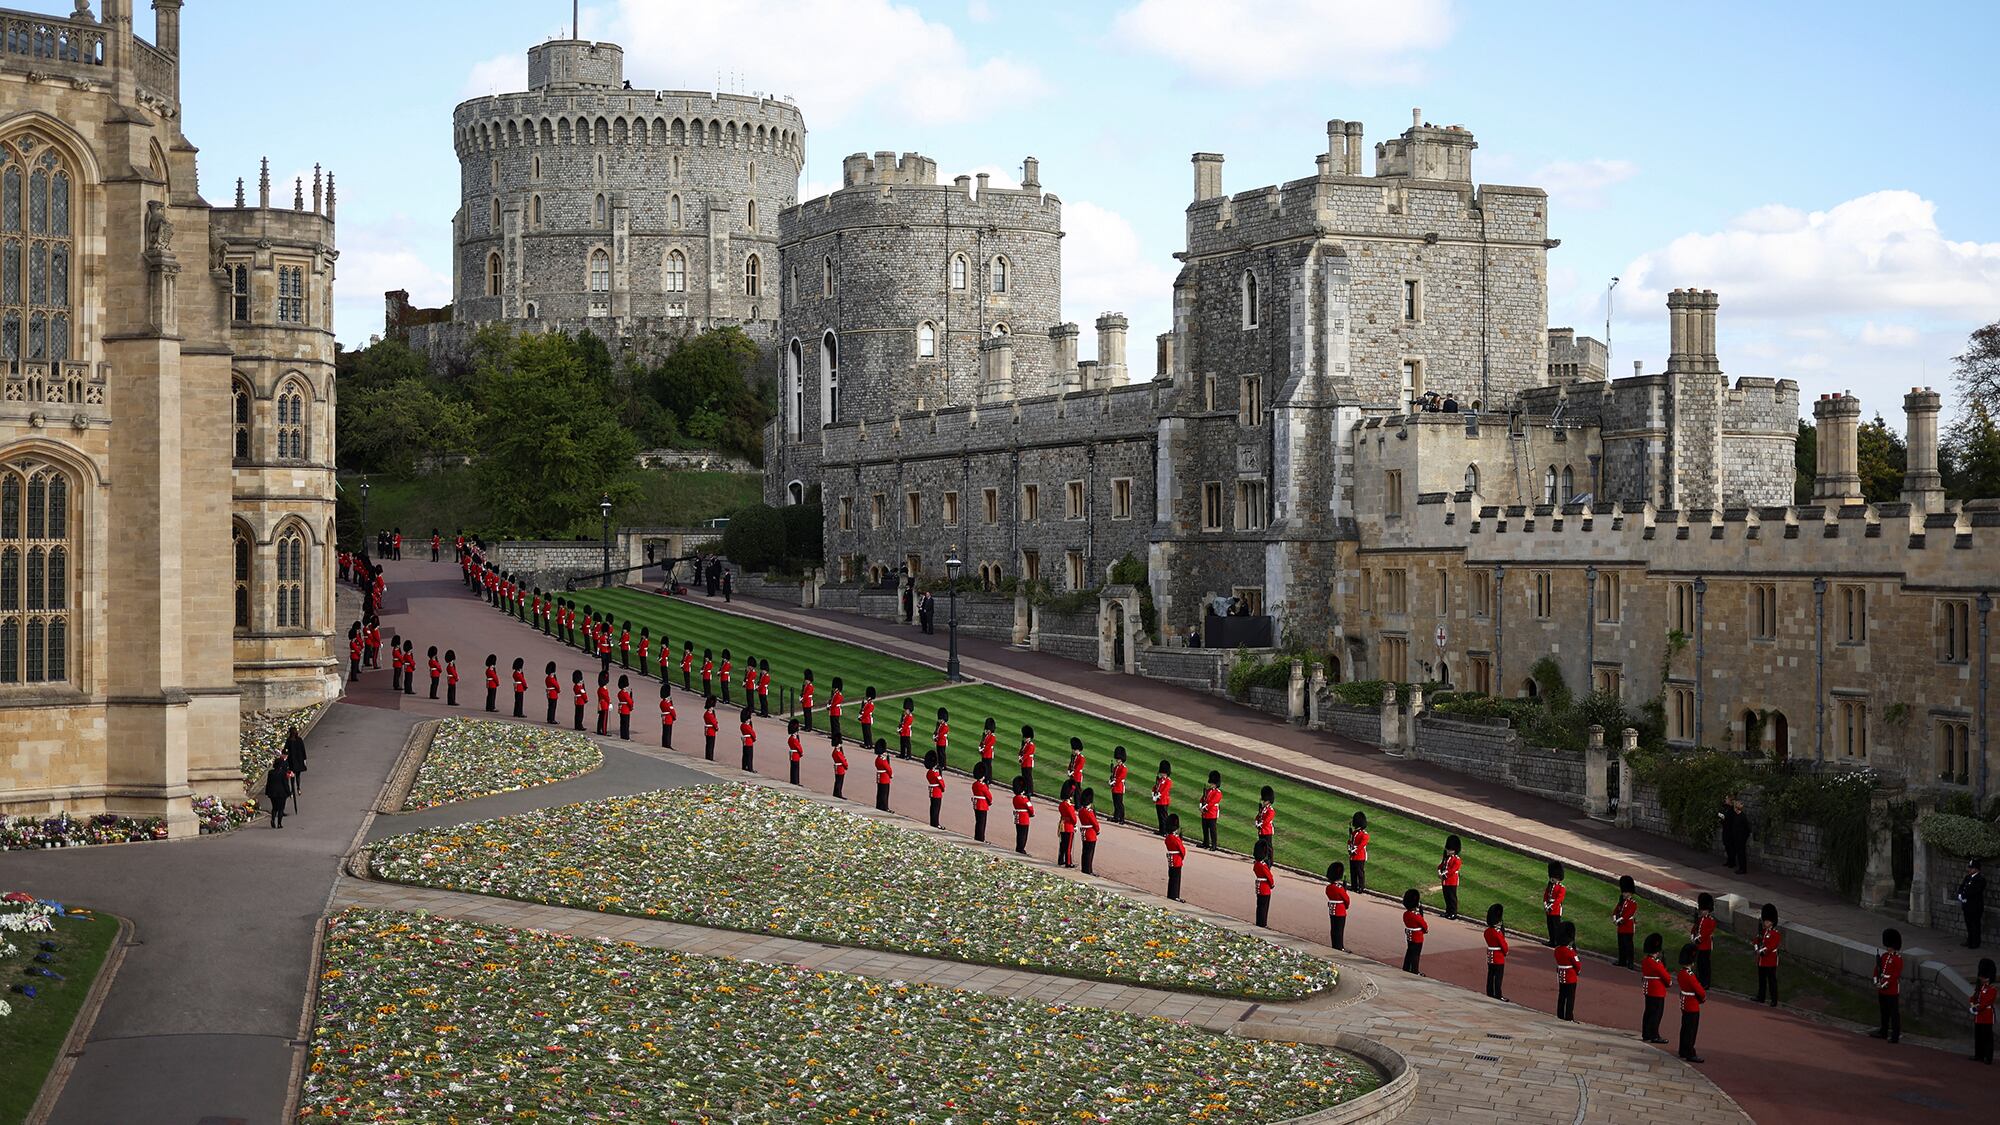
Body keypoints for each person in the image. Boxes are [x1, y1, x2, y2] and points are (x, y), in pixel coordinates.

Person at [1872, 928, 1904, 1043]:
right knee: (1884, 1012)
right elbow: (1877, 970)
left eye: (1890, 945)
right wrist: (1876, 982)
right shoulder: (1884, 956)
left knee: (1894, 1014)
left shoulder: (1897, 959)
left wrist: (1884, 984)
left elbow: (1895, 975)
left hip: (1892, 990)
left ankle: (1895, 1035)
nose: (1888, 947)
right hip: (1882, 989)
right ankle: (1883, 1031)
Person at [1676, 944, 1707, 1063]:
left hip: (1685, 1002)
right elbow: (1700, 991)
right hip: (1692, 1004)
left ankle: (1683, 1049)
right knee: (1691, 1030)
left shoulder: (1681, 973)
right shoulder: (1690, 975)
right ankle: (1690, 1052)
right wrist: (1702, 998)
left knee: (1685, 1028)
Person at [1640, 933, 1672, 1044]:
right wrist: (1669, 982)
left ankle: (1646, 1033)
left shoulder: (1645, 961)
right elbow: (1666, 977)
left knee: (1648, 1012)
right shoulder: (1656, 963)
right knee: (1656, 1014)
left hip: (1649, 990)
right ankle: (1654, 1035)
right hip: (1657, 991)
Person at [1753, 902, 1782, 1006]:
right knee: (1762, 980)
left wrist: (1761, 951)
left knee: (1772, 981)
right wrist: (1756, 948)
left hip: (1770, 960)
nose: (1765, 923)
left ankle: (1774, 1000)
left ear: (1772, 922)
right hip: (1761, 960)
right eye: (1765, 921)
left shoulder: (1775, 934)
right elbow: (1755, 940)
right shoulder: (1763, 932)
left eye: (1767, 921)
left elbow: (1772, 946)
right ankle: (1761, 997)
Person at [1554, 921, 1581, 1021]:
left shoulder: (1557, 950)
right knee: (1570, 997)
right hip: (1570, 976)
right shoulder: (1570, 951)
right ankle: (1569, 1017)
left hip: (1561, 975)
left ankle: (1560, 1014)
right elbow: (1577, 965)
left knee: (1561, 995)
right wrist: (1578, 971)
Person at [1971, 957, 1996, 1064]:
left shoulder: (1992, 989)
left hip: (1986, 1015)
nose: (1980, 978)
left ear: (1987, 977)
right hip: (1979, 1015)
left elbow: (1986, 1002)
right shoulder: (1980, 988)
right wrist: (1972, 1002)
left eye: (1982, 976)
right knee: (1978, 1036)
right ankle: (1979, 1055)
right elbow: (1974, 998)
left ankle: (1988, 1057)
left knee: (1987, 1037)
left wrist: (1976, 1007)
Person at [1690, 892, 1717, 987]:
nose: (1701, 911)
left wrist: (1698, 939)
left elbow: (1706, 933)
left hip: (1705, 946)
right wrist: (1692, 936)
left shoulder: (1711, 921)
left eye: (1703, 909)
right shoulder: (1700, 919)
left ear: (1708, 910)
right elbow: (1695, 928)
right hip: (1699, 946)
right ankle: (1700, 980)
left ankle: (1706, 982)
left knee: (1705, 965)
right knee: (1700, 964)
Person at [1483, 903, 1509, 1000]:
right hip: (1498, 957)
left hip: (1490, 955)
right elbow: (1503, 944)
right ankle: (1498, 994)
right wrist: (1506, 952)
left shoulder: (1487, 931)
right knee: (1498, 976)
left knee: (1490, 975)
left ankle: (1490, 992)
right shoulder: (1497, 933)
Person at [1960, 858, 1987, 949]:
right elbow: (1962, 886)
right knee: (1968, 924)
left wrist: (1964, 895)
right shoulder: (1967, 877)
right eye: (1969, 868)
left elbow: (1974, 891)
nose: (1969, 869)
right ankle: (1970, 940)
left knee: (1975, 924)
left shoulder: (1980, 879)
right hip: (1967, 905)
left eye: (1971, 868)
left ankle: (1975, 942)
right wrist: (1960, 894)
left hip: (1975, 906)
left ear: (1976, 869)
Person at [1613, 875, 1640, 968]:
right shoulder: (1622, 902)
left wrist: (1619, 920)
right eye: (1623, 892)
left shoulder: (1633, 903)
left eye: (1625, 892)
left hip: (1628, 927)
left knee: (1628, 946)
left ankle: (1630, 962)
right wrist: (1614, 918)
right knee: (1621, 945)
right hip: (1621, 927)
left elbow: (1628, 915)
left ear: (1630, 893)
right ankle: (1622, 961)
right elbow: (1616, 910)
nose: (1623, 894)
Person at [1325, 862, 1351, 950]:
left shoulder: (1328, 887)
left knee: (1334, 929)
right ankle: (1340, 947)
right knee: (1339, 930)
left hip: (1332, 909)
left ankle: (1335, 946)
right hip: (1340, 910)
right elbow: (1346, 899)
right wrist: (1344, 890)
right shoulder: (1339, 888)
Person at [1401, 889, 1427, 974]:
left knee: (1409, 951)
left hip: (1409, 936)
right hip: (1417, 937)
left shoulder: (1406, 914)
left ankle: (1406, 967)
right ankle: (1415, 970)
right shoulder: (1416, 916)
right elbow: (1424, 925)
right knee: (1416, 954)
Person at [264, 756, 293, 828]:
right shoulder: (283, 773)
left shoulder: (271, 773)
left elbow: (268, 783)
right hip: (281, 793)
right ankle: (279, 823)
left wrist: (267, 792)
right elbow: (285, 784)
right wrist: (289, 793)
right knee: (281, 809)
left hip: (272, 793)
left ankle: (273, 819)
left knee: (274, 808)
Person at [1543, 861, 1567, 946]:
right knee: (1550, 926)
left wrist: (1551, 907)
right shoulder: (1549, 886)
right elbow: (1546, 895)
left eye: (1554, 877)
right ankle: (1552, 941)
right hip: (1549, 909)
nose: (1552, 878)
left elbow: (1559, 900)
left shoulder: (1561, 888)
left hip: (1555, 910)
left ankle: (1557, 942)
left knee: (1556, 927)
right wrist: (1545, 905)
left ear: (1558, 877)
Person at [1439, 834, 1462, 920]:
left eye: (1449, 849)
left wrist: (1443, 875)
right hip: (1445, 881)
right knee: (1446, 897)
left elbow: (1452, 870)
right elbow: (1441, 866)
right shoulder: (1447, 858)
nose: (1447, 851)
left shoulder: (1457, 860)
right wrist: (1439, 871)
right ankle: (1448, 912)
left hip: (1452, 881)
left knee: (1452, 898)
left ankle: (1453, 913)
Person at [1078, 787, 1101, 876]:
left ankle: (1085, 869)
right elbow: (1095, 823)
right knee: (1089, 853)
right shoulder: (1089, 812)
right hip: (1091, 833)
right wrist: (1097, 831)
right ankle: (1088, 870)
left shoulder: (1081, 810)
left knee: (1085, 852)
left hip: (1084, 832)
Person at [284, 726, 307, 811]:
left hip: (291, 761)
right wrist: (304, 759)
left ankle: (292, 791)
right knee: (298, 776)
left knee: (292, 777)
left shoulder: (289, 741)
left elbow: (285, 750)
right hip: (299, 761)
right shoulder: (299, 740)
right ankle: (298, 788)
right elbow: (303, 750)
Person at [1164, 814, 1187, 902]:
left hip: (1171, 858)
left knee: (1171, 877)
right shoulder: (1175, 839)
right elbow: (1182, 850)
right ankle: (1175, 896)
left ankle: (1170, 894)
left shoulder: (1168, 838)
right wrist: (1180, 839)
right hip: (1177, 859)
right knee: (1176, 878)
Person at [1726, 797, 1751, 875]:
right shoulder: (1736, 816)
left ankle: (1743, 869)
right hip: (1736, 837)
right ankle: (1741, 868)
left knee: (1741, 853)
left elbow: (1747, 829)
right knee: (1739, 853)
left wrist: (1743, 838)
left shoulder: (1742, 816)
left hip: (1741, 838)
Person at [1253, 842, 1276, 927]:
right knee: (1264, 907)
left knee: (1259, 906)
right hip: (1265, 887)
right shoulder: (1263, 865)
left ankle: (1259, 922)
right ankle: (1263, 924)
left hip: (1259, 886)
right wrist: (1272, 884)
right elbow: (1269, 876)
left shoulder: (1256, 864)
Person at [1198, 772, 1223, 850]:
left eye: (1212, 783)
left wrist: (1204, 808)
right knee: (1205, 828)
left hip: (1212, 813)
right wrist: (1200, 806)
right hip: (1205, 813)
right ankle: (1206, 843)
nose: (1211, 784)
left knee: (1212, 830)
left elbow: (1212, 802)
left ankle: (1214, 845)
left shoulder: (1218, 793)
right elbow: (1202, 799)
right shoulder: (1208, 791)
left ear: (1216, 784)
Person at [1056, 781, 1078, 867]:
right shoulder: (1069, 806)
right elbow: (1073, 818)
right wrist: (1075, 825)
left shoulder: (1061, 804)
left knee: (1062, 844)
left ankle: (1061, 860)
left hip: (1062, 826)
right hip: (1069, 827)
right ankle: (1068, 862)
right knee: (1068, 846)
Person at [970, 761, 993, 841]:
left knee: (978, 821)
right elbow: (988, 795)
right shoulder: (982, 785)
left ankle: (977, 836)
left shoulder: (974, 784)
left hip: (976, 804)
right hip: (982, 805)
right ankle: (981, 838)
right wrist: (990, 802)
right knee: (982, 822)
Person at [1348, 812, 1370, 894]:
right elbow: (1350, 841)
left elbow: (1362, 845)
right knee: (1353, 872)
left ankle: (1361, 887)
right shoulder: (1354, 833)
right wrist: (1349, 848)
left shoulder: (1364, 834)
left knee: (1360, 872)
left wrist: (1354, 851)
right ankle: (1354, 886)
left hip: (1360, 856)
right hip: (1352, 856)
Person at [1011, 775, 1034, 853]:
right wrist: (1032, 814)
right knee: (1023, 834)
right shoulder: (1024, 799)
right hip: (1024, 817)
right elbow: (1030, 808)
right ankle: (1021, 849)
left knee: (1019, 833)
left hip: (1017, 816)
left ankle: (1018, 847)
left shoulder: (1015, 798)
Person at [1719, 796, 1742, 871]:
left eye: (1726, 799)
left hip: (1730, 830)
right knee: (1727, 845)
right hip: (1726, 828)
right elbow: (1722, 814)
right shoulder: (1726, 807)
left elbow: (1728, 818)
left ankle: (1732, 861)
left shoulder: (1732, 809)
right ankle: (1729, 860)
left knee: (1731, 846)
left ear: (1730, 800)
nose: (1725, 800)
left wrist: (1723, 817)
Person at [1152, 760, 1173, 835]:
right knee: (1160, 816)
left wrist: (1157, 796)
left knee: (1164, 817)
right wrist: (1153, 794)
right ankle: (1161, 830)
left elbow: (1164, 791)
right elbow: (1155, 787)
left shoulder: (1168, 781)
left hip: (1164, 801)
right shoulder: (1160, 780)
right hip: (1158, 801)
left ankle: (1165, 831)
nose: (1161, 773)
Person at [1108, 746, 1129, 825]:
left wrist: (1113, 782)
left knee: (1120, 804)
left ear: (1122, 759)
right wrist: (1110, 780)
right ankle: (1116, 817)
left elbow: (1120, 778)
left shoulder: (1124, 768)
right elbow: (1113, 776)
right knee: (1115, 803)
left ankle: (1122, 818)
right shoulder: (1116, 767)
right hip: (1114, 787)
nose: (1117, 760)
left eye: (1119, 759)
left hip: (1119, 787)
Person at [926, 752, 946, 828]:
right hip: (937, 792)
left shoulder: (928, 773)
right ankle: (936, 823)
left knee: (933, 808)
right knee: (936, 809)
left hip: (932, 791)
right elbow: (942, 784)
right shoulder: (935, 773)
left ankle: (933, 822)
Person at [875, 739, 894, 811]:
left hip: (879, 777)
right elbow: (888, 768)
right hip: (885, 778)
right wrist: (891, 774)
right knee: (884, 794)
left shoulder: (877, 759)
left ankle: (879, 806)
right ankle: (884, 807)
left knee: (880, 793)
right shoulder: (883, 760)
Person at [1017, 725, 1036, 795]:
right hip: (1024, 762)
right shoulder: (1025, 744)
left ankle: (1030, 790)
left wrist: (1021, 759)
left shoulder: (1031, 745)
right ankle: (1026, 789)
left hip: (1028, 763)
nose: (1024, 738)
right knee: (1024, 777)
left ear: (1029, 738)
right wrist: (1019, 756)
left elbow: (1027, 754)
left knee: (1028, 777)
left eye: (1026, 737)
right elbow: (1021, 751)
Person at [830, 735, 849, 800]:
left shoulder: (835, 751)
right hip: (840, 768)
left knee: (837, 781)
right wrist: (846, 765)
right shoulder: (838, 752)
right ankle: (838, 794)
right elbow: (843, 760)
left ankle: (836, 793)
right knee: (839, 781)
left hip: (837, 767)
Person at [787, 719, 805, 785]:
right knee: (796, 769)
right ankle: (795, 781)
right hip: (795, 755)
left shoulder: (791, 738)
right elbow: (798, 746)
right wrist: (801, 752)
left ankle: (794, 781)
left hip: (793, 754)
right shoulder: (794, 739)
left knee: (793, 768)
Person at [932, 707, 950, 771]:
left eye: (940, 719)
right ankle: (940, 764)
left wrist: (935, 737)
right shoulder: (940, 725)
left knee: (942, 754)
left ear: (943, 719)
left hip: (942, 742)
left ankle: (943, 765)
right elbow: (937, 731)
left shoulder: (945, 726)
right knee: (939, 754)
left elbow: (941, 734)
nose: (939, 720)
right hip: (939, 741)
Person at [859, 687, 877, 751]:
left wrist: (861, 717)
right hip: (865, 719)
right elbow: (863, 710)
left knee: (867, 733)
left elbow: (866, 713)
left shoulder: (870, 704)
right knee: (865, 732)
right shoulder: (867, 703)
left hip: (867, 719)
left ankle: (869, 744)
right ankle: (866, 743)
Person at [739, 706, 756, 771]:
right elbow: (752, 733)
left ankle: (744, 766)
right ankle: (749, 768)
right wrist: (754, 738)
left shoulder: (742, 725)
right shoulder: (747, 726)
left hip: (745, 741)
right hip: (749, 741)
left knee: (745, 755)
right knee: (749, 756)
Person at [660, 681, 676, 748]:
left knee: (664, 732)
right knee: (668, 732)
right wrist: (674, 717)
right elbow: (672, 711)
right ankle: (667, 745)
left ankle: (664, 744)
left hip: (664, 718)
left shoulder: (662, 702)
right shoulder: (667, 703)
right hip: (668, 719)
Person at [826, 676, 843, 741]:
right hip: (833, 711)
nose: (833, 689)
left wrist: (829, 706)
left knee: (836, 725)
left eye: (835, 688)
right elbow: (832, 701)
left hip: (835, 711)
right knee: (833, 724)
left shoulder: (839, 695)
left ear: (837, 688)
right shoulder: (835, 694)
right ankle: (833, 735)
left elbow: (834, 704)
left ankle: (837, 737)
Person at [702, 696, 719, 760]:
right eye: (711, 707)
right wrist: (716, 727)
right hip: (711, 731)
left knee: (709, 744)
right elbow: (714, 722)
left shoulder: (707, 713)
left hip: (709, 730)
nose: (712, 708)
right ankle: (710, 757)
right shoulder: (709, 715)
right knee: (710, 745)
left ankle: (709, 756)